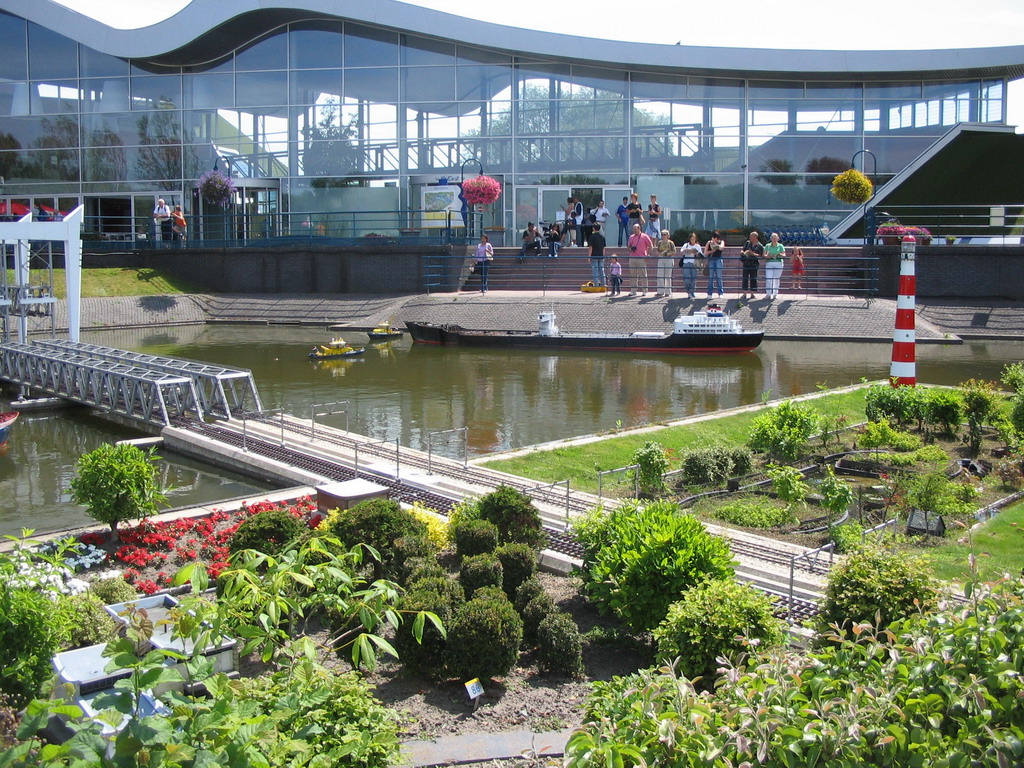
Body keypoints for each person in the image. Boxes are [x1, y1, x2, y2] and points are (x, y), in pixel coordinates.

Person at [627, 223, 652, 296]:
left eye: (635, 229)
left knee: (643, 274)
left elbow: (650, 245)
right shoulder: (631, 237)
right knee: (632, 274)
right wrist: (630, 249)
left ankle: (645, 290)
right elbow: (628, 247)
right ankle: (633, 290)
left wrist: (648, 254)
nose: (633, 230)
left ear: (639, 228)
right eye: (633, 229)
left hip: (642, 257)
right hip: (632, 257)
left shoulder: (645, 236)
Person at [740, 231, 763, 299]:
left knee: (753, 278)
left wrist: (753, 254)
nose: (750, 238)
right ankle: (744, 293)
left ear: (755, 237)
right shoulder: (747, 243)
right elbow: (743, 250)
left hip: (754, 263)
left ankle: (752, 293)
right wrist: (742, 252)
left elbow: (761, 255)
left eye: (751, 237)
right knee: (745, 278)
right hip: (746, 263)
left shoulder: (760, 245)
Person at [679, 232, 702, 299]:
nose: (692, 240)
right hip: (686, 263)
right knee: (686, 278)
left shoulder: (697, 246)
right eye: (691, 239)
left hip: (694, 263)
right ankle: (688, 290)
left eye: (694, 239)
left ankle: (691, 292)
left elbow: (701, 255)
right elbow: (681, 251)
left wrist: (696, 253)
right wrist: (686, 250)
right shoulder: (686, 245)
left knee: (693, 279)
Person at [764, 232, 785, 299]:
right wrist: (767, 256)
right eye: (773, 238)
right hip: (769, 263)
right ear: (771, 238)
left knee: (776, 279)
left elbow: (784, 254)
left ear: (778, 238)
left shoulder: (780, 246)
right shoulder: (767, 245)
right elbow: (764, 254)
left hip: (778, 263)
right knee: (768, 278)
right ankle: (768, 294)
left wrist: (780, 255)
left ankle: (775, 294)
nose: (774, 239)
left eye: (775, 238)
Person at [704, 230, 725, 297]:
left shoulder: (721, 242)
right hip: (711, 260)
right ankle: (709, 293)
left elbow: (721, 248)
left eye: (716, 238)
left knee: (719, 277)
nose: (715, 239)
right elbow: (705, 252)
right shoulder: (709, 242)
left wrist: (715, 244)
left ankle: (720, 293)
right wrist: (712, 250)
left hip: (718, 259)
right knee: (711, 277)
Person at [655, 229, 676, 297]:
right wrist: (659, 253)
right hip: (661, 259)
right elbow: (657, 251)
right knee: (660, 275)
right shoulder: (659, 243)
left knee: (668, 276)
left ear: (668, 235)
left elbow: (674, 251)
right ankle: (660, 291)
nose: (663, 236)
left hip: (668, 259)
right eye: (662, 235)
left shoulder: (671, 243)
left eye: (665, 235)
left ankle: (668, 292)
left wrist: (668, 253)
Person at [588, 222, 607, 287]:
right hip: (601, 256)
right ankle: (603, 284)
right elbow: (603, 248)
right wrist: (603, 255)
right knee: (602, 271)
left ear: (593, 228)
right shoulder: (602, 237)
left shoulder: (592, 237)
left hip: (594, 256)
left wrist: (589, 257)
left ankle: (596, 285)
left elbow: (591, 248)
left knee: (595, 272)